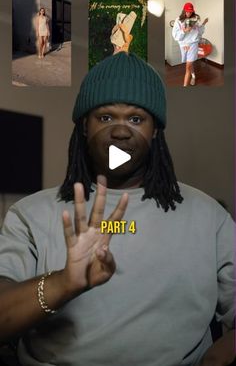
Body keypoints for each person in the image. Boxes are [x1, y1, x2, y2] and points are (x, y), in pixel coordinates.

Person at [0, 52, 235, 366]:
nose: (121, 131)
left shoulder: (209, 216)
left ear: (155, 131)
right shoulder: (30, 214)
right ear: (85, 126)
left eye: (136, 119)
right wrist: (63, 283)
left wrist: (217, 358)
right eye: (105, 117)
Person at [172, 2, 209, 87]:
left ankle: (185, 85)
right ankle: (193, 76)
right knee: (189, 63)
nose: (189, 13)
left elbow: (199, 31)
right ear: (184, 10)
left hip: (193, 44)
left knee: (188, 65)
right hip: (184, 45)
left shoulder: (194, 20)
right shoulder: (178, 20)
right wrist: (184, 31)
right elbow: (175, 35)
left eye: (191, 11)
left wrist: (204, 23)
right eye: (187, 11)